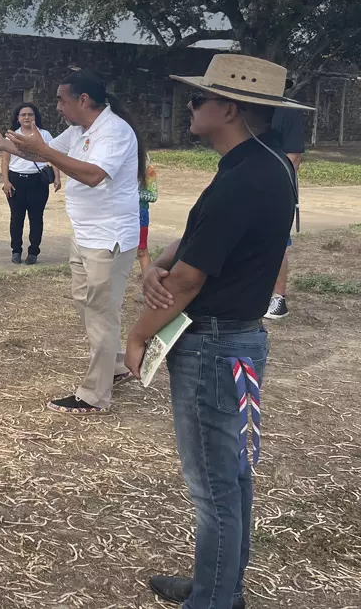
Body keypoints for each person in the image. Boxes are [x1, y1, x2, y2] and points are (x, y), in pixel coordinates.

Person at [126, 55, 311, 609]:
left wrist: (137, 337)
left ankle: (213, 600)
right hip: (240, 341)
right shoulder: (265, 162)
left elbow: (187, 281)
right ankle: (219, 587)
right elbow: (196, 239)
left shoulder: (244, 177)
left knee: (214, 485)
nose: (190, 107)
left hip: (213, 343)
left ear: (228, 108)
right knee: (232, 476)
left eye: (198, 100)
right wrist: (157, 260)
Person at [0, 71, 144, 414]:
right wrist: (5, 145)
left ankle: (94, 396)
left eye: (61, 99)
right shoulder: (78, 132)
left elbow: (92, 174)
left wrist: (42, 149)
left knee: (102, 313)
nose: (57, 107)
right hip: (85, 235)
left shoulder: (113, 132)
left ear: (83, 100)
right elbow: (43, 156)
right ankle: (115, 366)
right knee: (88, 304)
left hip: (109, 238)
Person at [0, 102, 60, 265]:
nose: (27, 117)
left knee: (36, 217)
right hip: (16, 179)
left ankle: (33, 251)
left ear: (36, 117)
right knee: (16, 217)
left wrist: (57, 177)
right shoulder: (12, 136)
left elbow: (53, 156)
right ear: (18, 118)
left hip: (37, 180)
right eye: (23, 115)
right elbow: (5, 161)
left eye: (30, 114)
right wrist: (6, 181)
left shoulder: (44, 135)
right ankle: (16, 250)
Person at [265, 94, 304, 320]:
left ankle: (279, 298)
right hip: (247, 183)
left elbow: (294, 156)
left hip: (276, 188)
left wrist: (272, 183)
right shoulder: (250, 111)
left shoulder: (288, 113)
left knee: (277, 242)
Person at [138, 159, 158, 276]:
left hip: (140, 215)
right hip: (117, 215)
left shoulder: (148, 169)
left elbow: (153, 196)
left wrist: (132, 193)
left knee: (141, 251)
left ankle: (148, 287)